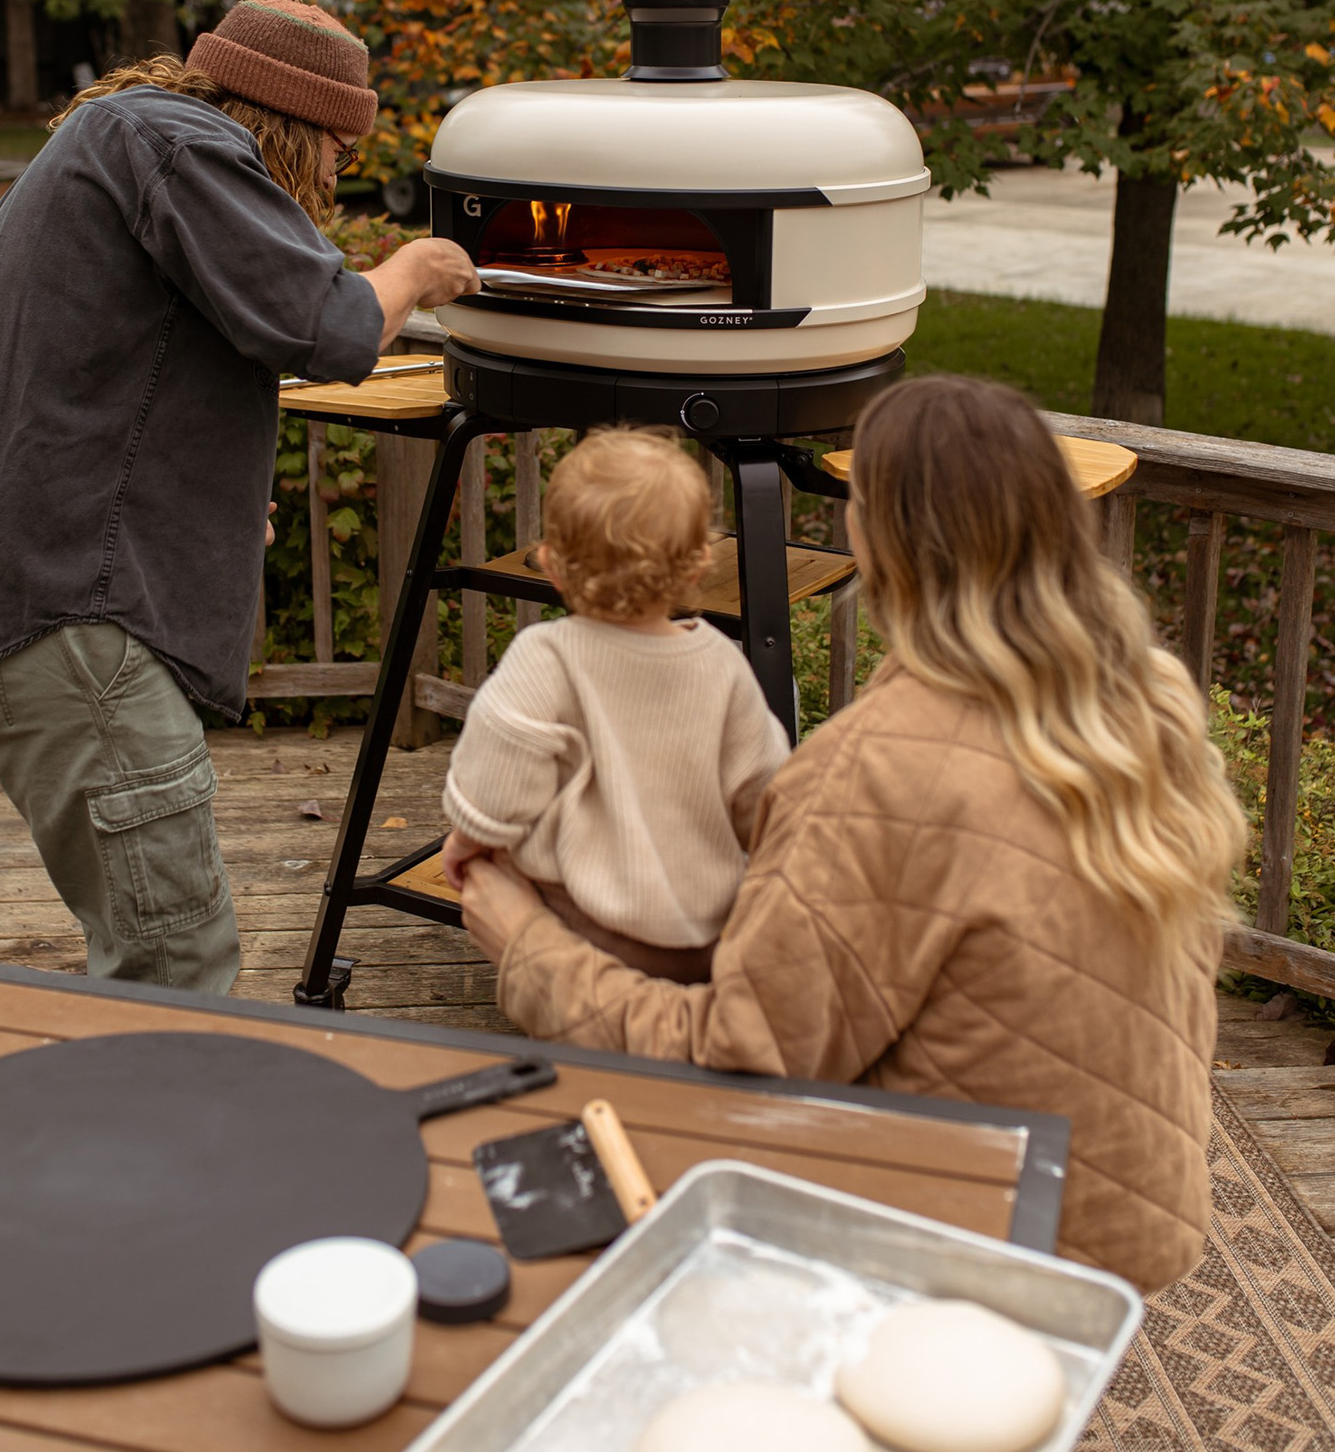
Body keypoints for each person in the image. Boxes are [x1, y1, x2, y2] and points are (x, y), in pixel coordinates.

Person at [461, 376, 1246, 1294]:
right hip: (1125, 1212)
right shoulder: (1142, 698)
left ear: (884, 540)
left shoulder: (877, 770)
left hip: (977, 1233)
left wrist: (527, 947)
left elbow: (734, 1063)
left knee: (539, 1208)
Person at [0, 0, 479, 994]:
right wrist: (417, 269)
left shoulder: (121, 141)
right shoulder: (172, 140)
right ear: (295, 123)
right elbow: (324, 321)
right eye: (341, 150)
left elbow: (117, 377)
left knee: (151, 956)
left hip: (42, 617)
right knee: (175, 968)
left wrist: (201, 498)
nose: (336, 179)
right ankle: (157, 1148)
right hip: (74, 629)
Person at [441, 429, 789, 983]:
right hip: (704, 938)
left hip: (579, 928)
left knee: (509, 852)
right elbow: (764, 796)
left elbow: (500, 788)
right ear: (698, 565)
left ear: (551, 564)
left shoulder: (546, 656)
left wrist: (466, 842)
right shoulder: (722, 664)